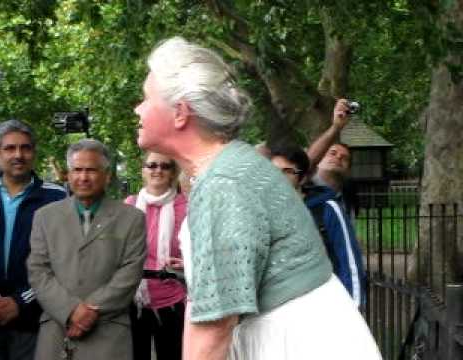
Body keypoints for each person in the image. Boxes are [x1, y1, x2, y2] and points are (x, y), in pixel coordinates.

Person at [134, 36, 381, 360]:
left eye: (146, 98)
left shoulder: (224, 182)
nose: (137, 108)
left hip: (298, 345)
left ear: (180, 113)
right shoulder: (235, 166)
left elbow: (213, 328)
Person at [27, 139, 146, 360]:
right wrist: (71, 311)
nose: (83, 177)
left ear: (107, 175)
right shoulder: (45, 217)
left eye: (91, 170)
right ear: (68, 175)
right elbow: (38, 270)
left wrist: (90, 312)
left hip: (108, 331)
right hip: (57, 329)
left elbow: (130, 272)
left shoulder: (132, 218)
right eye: (77, 170)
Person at [0, 120, 67, 360]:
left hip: (33, 319)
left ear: (34, 152)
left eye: (25, 148)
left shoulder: (56, 197)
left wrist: (20, 301)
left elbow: (63, 260)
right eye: (10, 148)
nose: (18, 155)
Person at [124, 152, 187, 360]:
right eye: (151, 165)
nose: (157, 170)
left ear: (172, 173)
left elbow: (199, 250)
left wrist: (188, 262)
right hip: (134, 299)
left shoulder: (186, 206)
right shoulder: (129, 205)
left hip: (174, 299)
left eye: (165, 166)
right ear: (143, 170)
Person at [305, 143, 366, 308]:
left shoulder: (347, 197)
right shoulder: (305, 190)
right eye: (332, 153)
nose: (338, 158)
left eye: (344, 158)